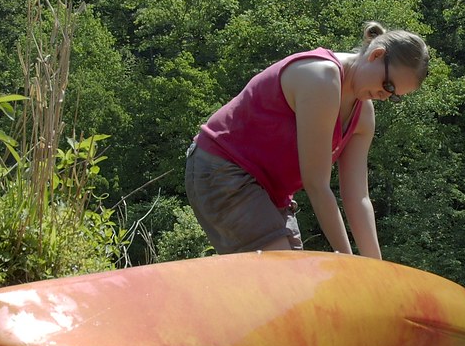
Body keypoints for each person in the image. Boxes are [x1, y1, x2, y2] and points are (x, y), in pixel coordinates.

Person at [184, 21, 429, 260]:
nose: (385, 96)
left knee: (298, 283)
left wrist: (376, 269)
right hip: (222, 168)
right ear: (376, 55)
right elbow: (317, 184)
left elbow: (358, 197)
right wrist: (348, 262)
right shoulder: (321, 77)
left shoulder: (363, 115)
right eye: (387, 85)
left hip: (270, 192)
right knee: (282, 278)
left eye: (395, 96)